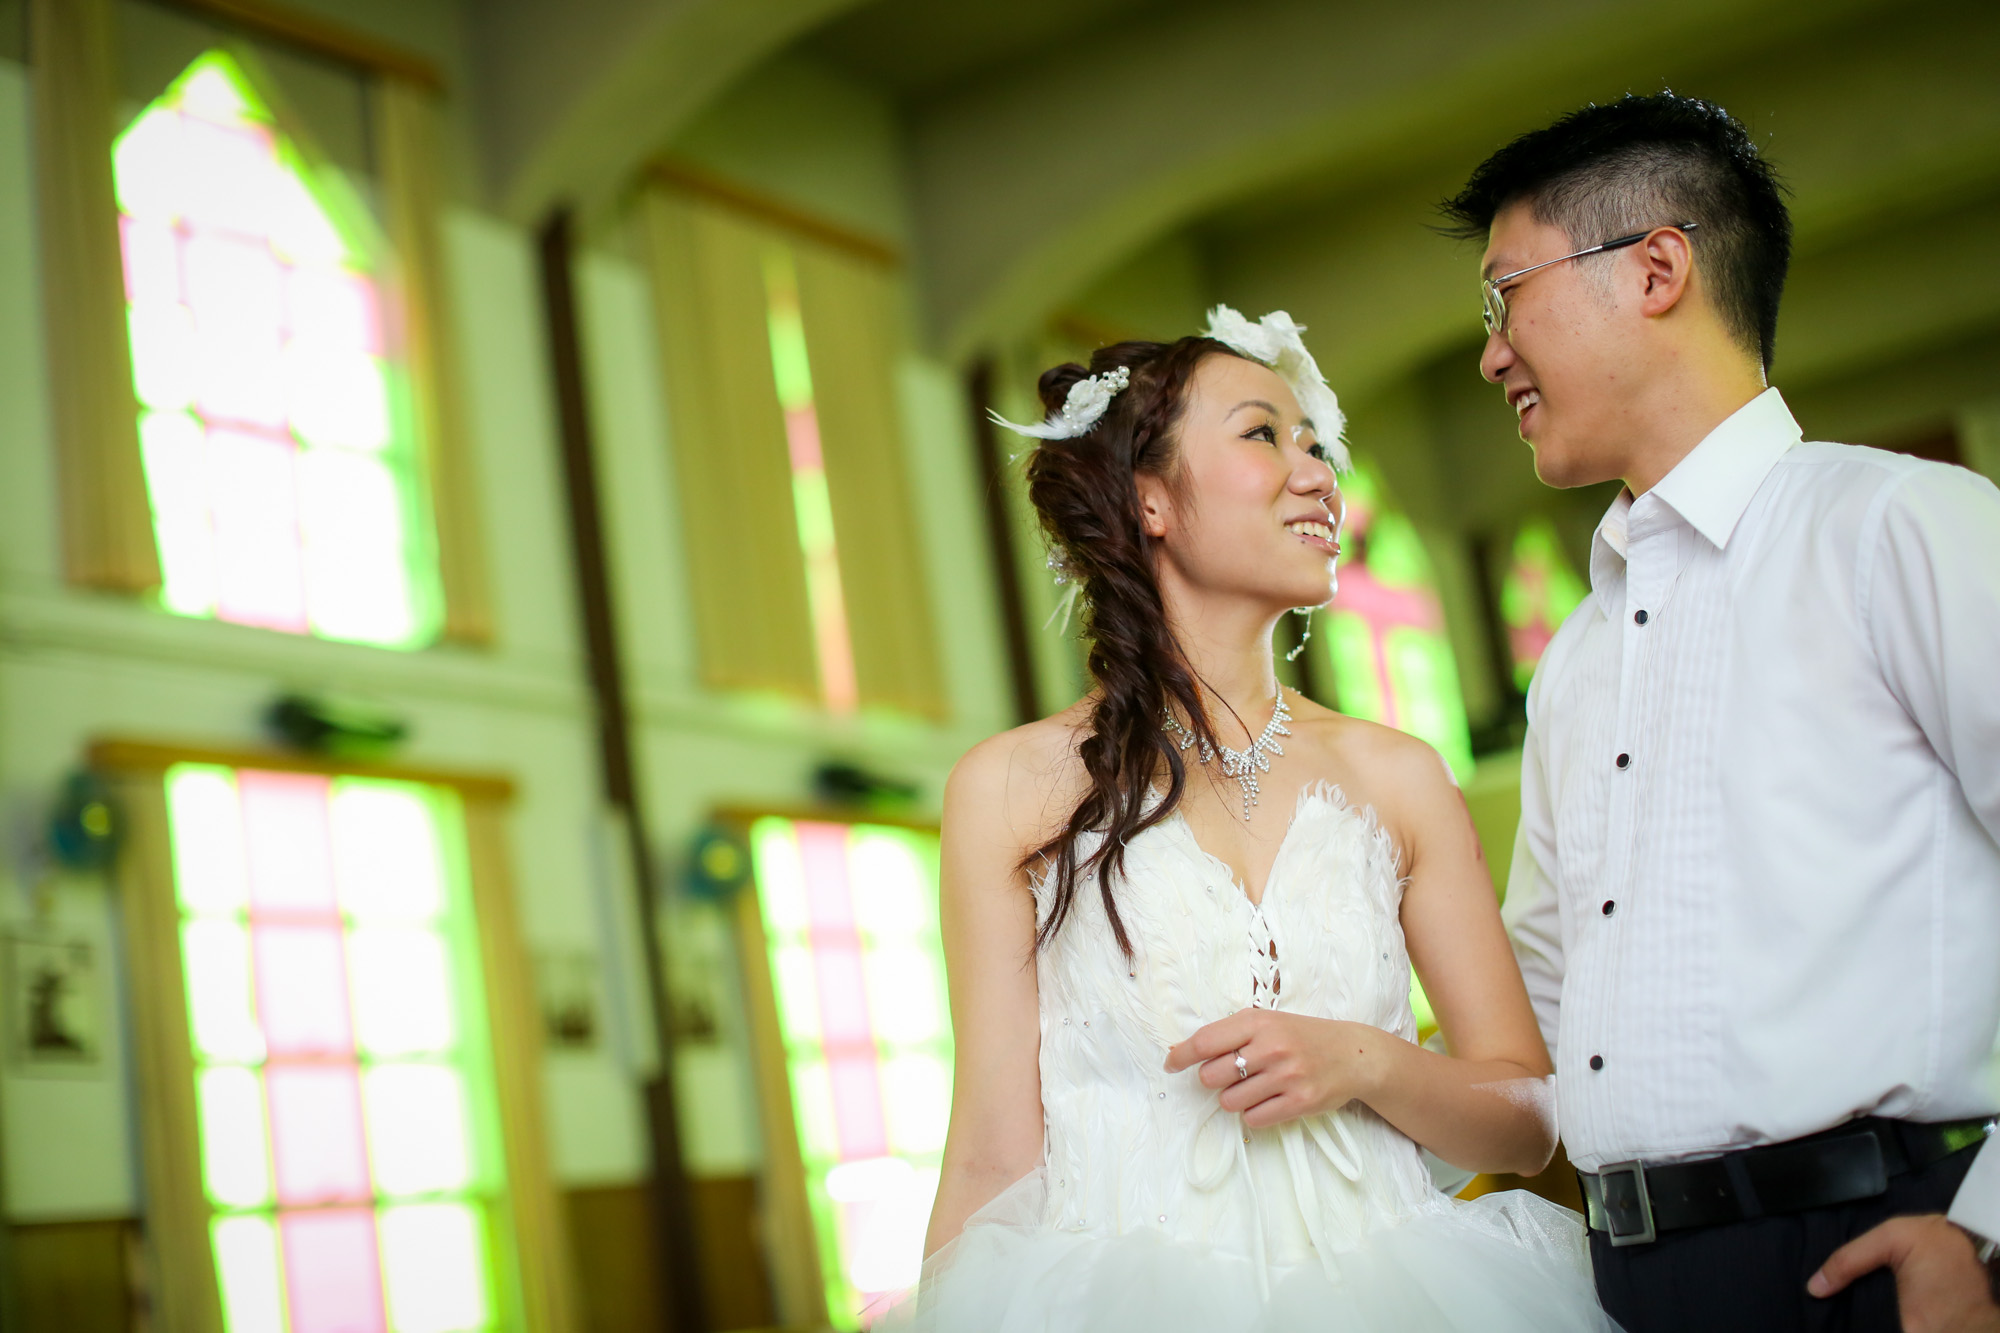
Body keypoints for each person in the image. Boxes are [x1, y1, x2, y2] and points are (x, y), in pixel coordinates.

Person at [893, 309, 1617, 1330]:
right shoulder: (1009, 789)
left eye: (1317, 446)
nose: (1318, 474)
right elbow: (987, 1157)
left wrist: (1365, 1061)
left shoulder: (1398, 776)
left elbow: (1527, 1123)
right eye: (1263, 434)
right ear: (1147, 498)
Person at [1441, 92, 2000, 1332]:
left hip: (1880, 1249)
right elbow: (1538, 996)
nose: (1489, 355)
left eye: (1504, 296)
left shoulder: (1898, 528)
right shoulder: (1574, 657)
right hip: (1633, 1280)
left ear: (1655, 269)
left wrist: (1986, 1228)